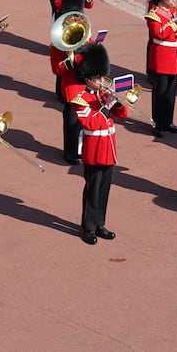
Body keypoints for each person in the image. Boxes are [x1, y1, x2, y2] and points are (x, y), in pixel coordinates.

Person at [70, 43, 128, 245]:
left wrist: (117, 101)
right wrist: (106, 106)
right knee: (92, 190)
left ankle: (100, 223)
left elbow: (123, 114)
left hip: (108, 147)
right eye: (97, 78)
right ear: (87, 79)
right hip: (94, 149)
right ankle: (88, 227)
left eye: (102, 77)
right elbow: (91, 123)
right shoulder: (81, 100)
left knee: (104, 189)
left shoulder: (103, 94)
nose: (101, 81)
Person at [145, 0, 177, 137]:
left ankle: (167, 121)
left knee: (170, 94)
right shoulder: (154, 14)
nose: (174, 0)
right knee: (159, 94)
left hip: (173, 57)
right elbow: (160, 34)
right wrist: (176, 23)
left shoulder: (174, 11)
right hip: (161, 58)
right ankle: (158, 124)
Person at [50, 0, 87, 165]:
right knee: (72, 122)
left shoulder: (84, 30)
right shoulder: (58, 38)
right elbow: (56, 68)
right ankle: (70, 152)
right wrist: (71, 62)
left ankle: (81, 149)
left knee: (85, 120)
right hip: (71, 85)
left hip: (85, 83)